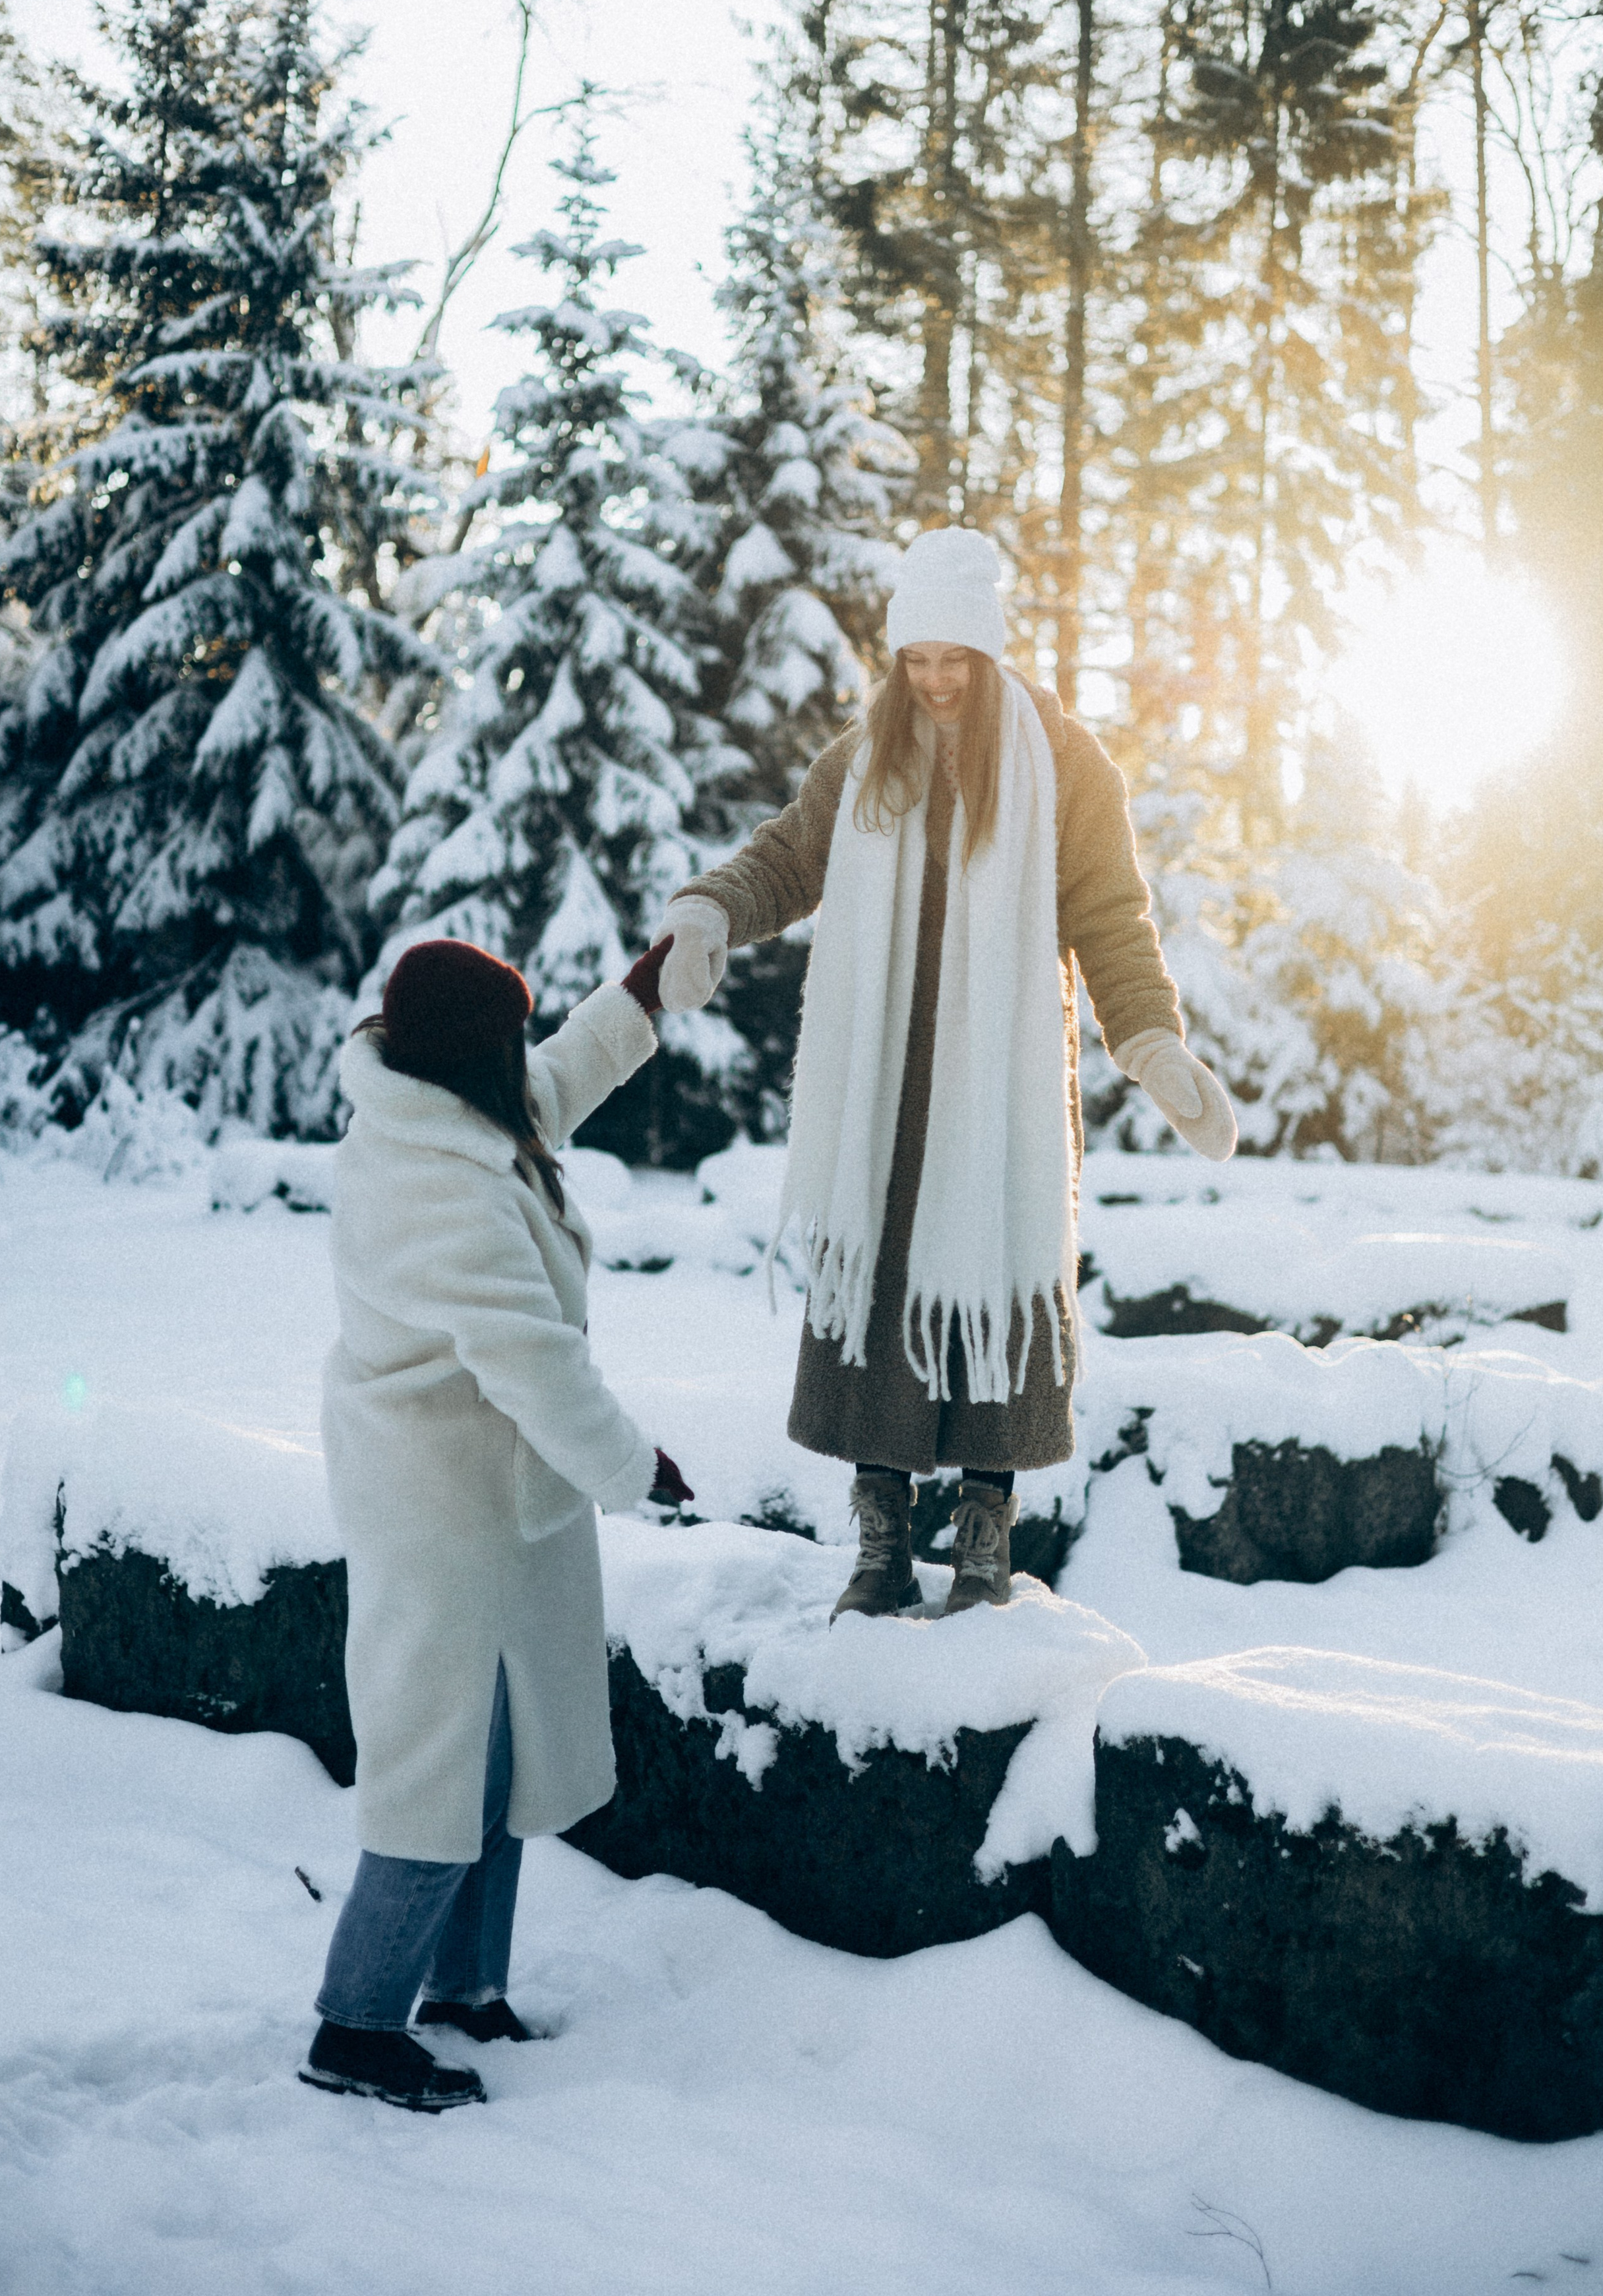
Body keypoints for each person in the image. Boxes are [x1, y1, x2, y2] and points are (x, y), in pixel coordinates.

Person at [657, 526, 1236, 1623]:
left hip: (997, 1085)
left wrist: (1153, 1044)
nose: (933, 682)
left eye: (953, 660)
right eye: (915, 659)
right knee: (880, 1299)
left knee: (990, 1293)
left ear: (991, 650)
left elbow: (1111, 917)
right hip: (884, 1086)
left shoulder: (1066, 765)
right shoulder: (865, 755)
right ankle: (879, 1543)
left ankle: (983, 1542)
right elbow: (790, 855)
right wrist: (711, 912)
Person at [302, 933, 690, 2113]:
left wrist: (640, 997)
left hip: (491, 1493)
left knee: (503, 1746)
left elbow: (558, 1082)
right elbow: (535, 1365)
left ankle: (462, 1989)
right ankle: (356, 2027)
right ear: (475, 1055)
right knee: (436, 1761)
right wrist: (636, 1467)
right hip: (436, 1501)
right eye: (508, 1042)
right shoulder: (433, 1187)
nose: (526, 1062)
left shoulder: (453, 1111)